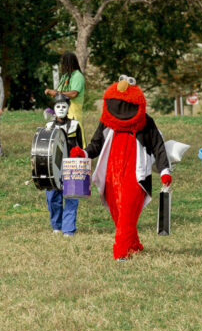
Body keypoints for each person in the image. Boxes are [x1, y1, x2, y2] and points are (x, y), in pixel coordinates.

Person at [73, 75, 171, 261]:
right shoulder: (107, 121)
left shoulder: (145, 122)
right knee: (119, 215)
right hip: (111, 175)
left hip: (136, 175)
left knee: (127, 212)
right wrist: (83, 153)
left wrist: (164, 170)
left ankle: (121, 253)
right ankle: (133, 245)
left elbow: (158, 146)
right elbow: (96, 144)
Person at [46, 93, 86, 236]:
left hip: (72, 166)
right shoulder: (49, 126)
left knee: (71, 198)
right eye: (58, 106)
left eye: (64, 106)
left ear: (68, 107)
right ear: (54, 108)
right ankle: (56, 226)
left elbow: (82, 147)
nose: (61, 109)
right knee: (52, 198)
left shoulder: (75, 125)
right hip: (53, 167)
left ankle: (68, 230)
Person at [45, 51, 85, 121]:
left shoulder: (77, 76)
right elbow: (59, 92)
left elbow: (74, 94)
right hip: (61, 116)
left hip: (73, 115)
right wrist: (51, 92)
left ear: (69, 63)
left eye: (63, 63)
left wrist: (58, 93)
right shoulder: (65, 76)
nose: (62, 65)